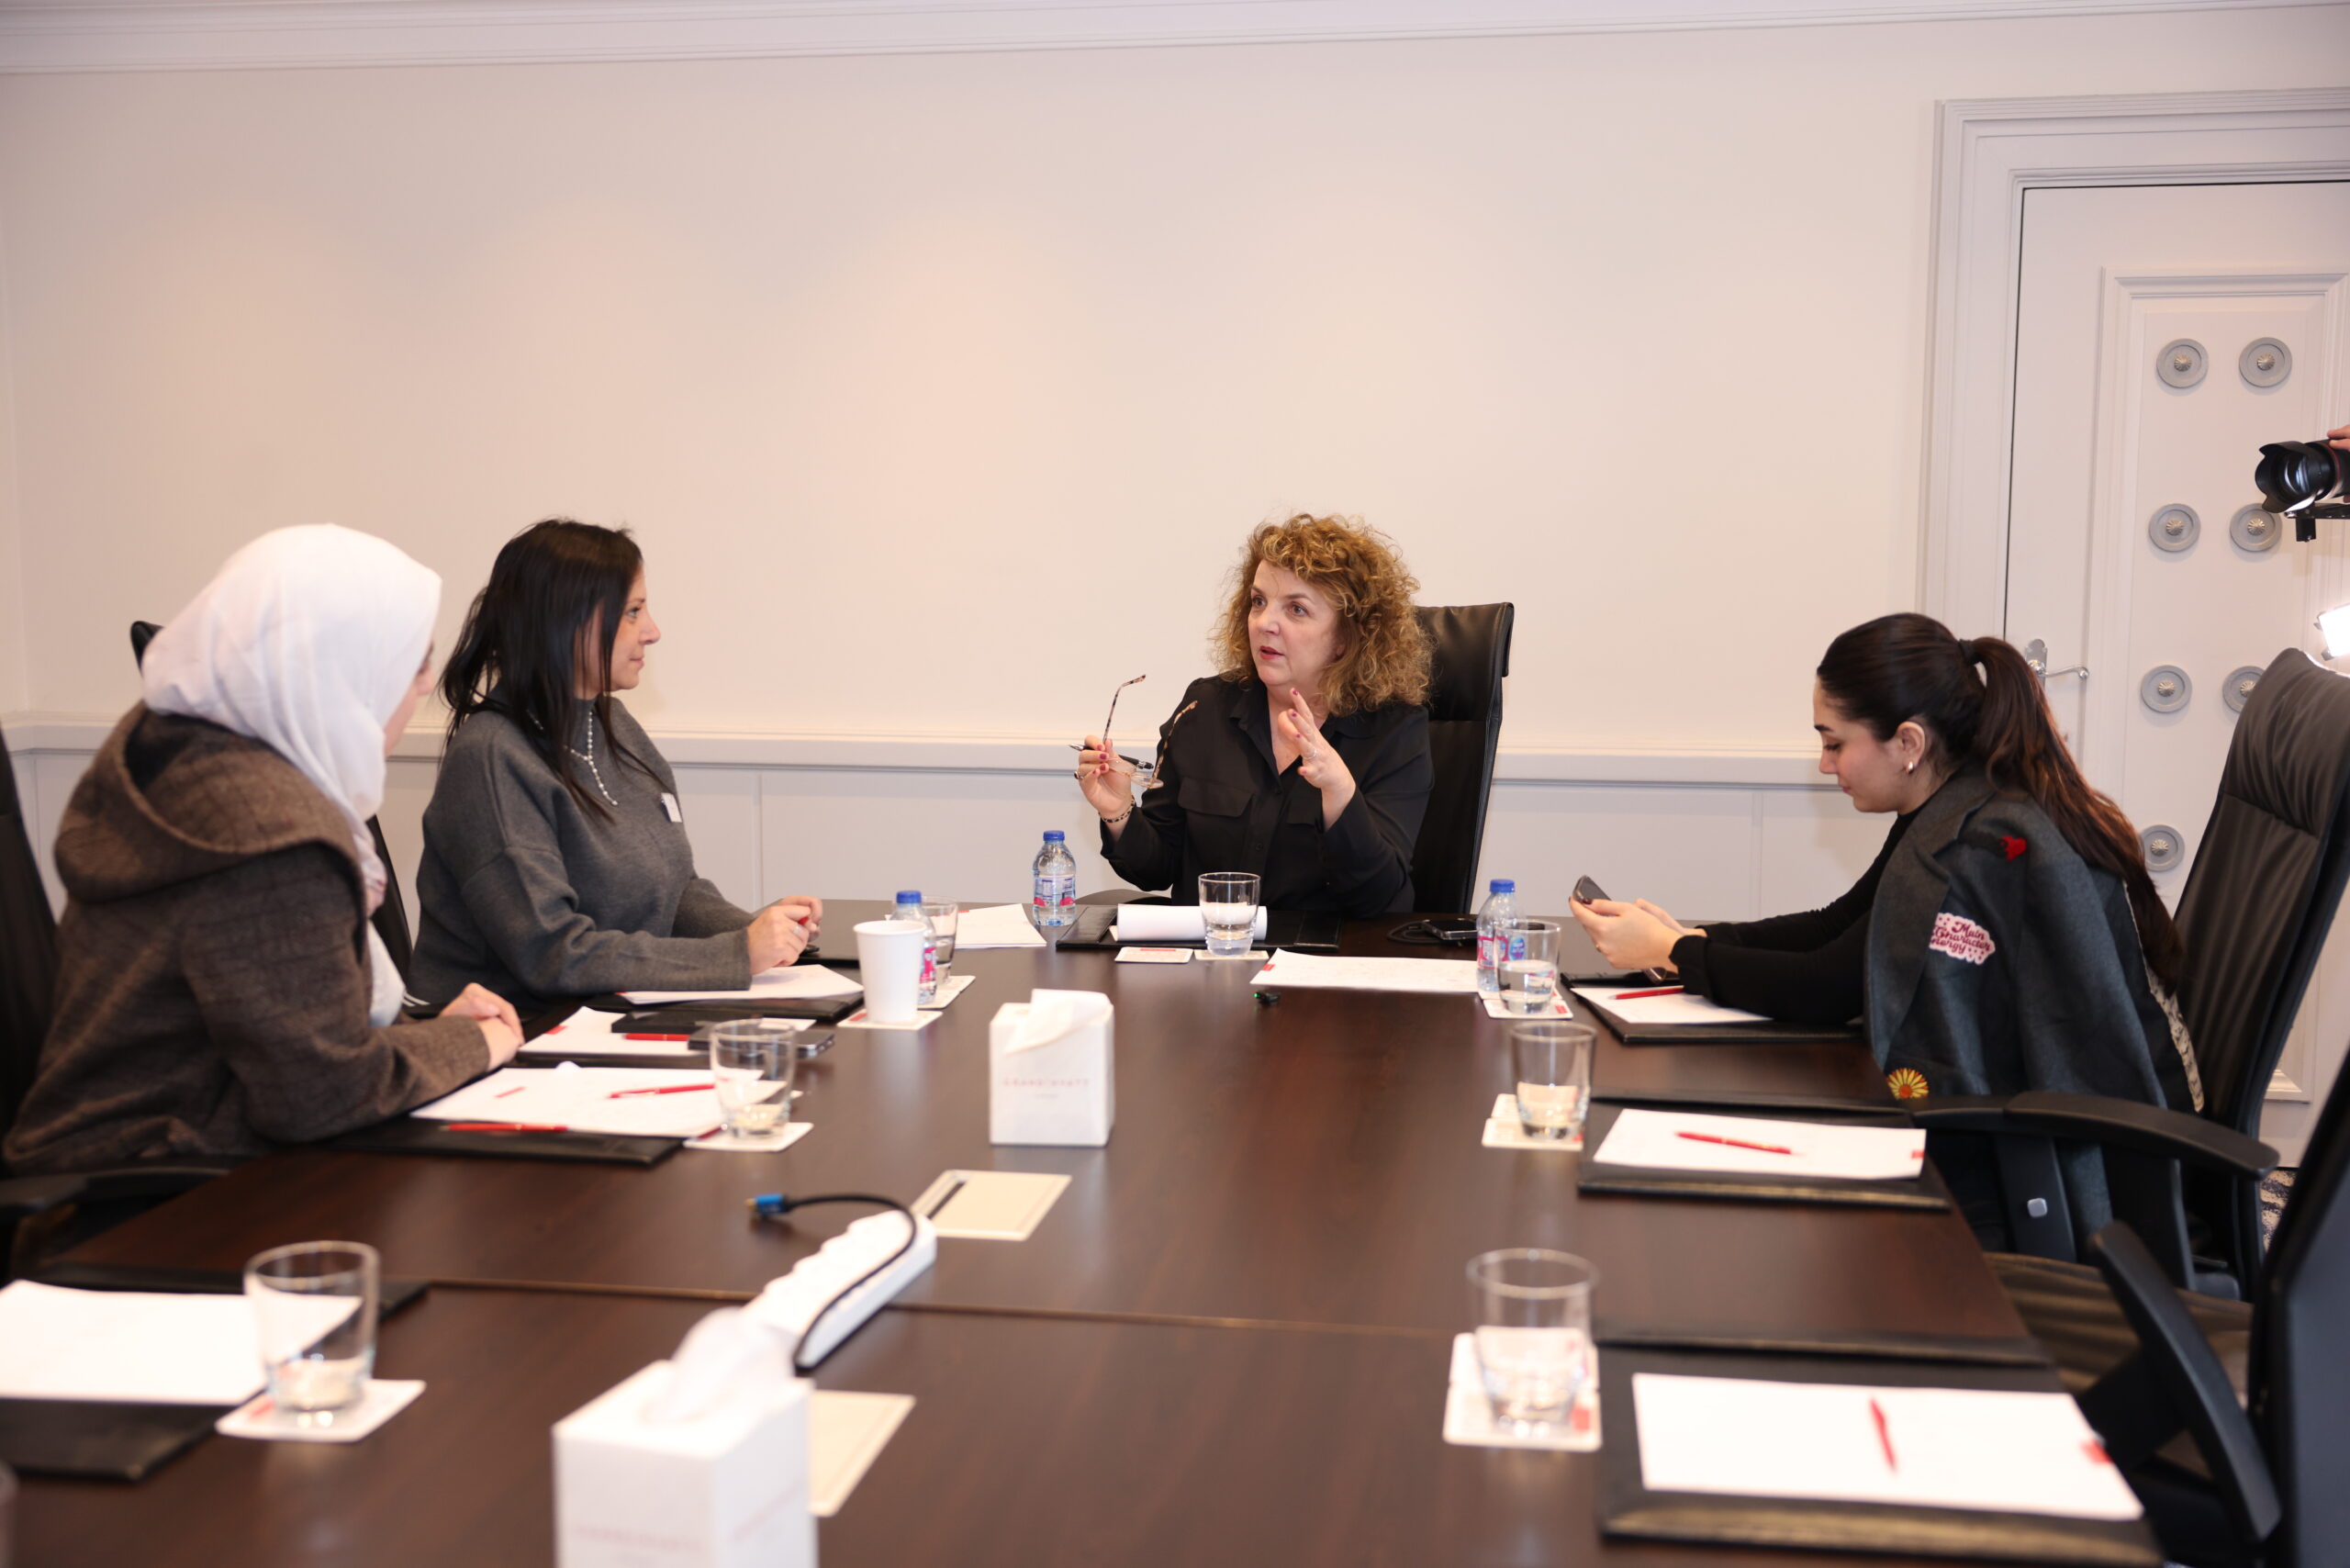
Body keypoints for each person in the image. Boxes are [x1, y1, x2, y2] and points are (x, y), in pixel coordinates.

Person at [1570, 612, 2196, 1241]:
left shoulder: (1977, 848)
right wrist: (1697, 941)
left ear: (1908, 743)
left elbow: (1832, 984)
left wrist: (1677, 953)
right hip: (2044, 1132)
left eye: (1835, 743)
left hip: (2071, 1172)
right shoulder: (1956, 802)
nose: (1824, 764)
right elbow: (1842, 925)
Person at [5, 526, 521, 1177]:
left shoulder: (188, 759)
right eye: (412, 662)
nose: (423, 686)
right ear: (341, 667)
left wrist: (431, 1034)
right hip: (160, 1192)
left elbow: (287, 1032)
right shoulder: (267, 829)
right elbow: (322, 1095)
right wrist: (473, 1043)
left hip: (150, 1156)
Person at [410, 520, 821, 1012]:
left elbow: (675, 894)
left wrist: (756, 931)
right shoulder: (492, 757)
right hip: (513, 1028)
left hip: (601, 1010)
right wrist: (736, 953)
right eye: (632, 612)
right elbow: (551, 954)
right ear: (564, 623)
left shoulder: (614, 725)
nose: (653, 632)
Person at [1078, 514, 1433, 917]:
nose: (1264, 623)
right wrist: (1118, 811)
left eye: (1296, 609)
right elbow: (1158, 868)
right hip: (1209, 950)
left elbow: (1381, 901)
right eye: (1259, 602)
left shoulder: (1394, 731)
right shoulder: (1205, 707)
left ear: (1346, 638)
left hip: (1321, 953)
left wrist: (1338, 792)